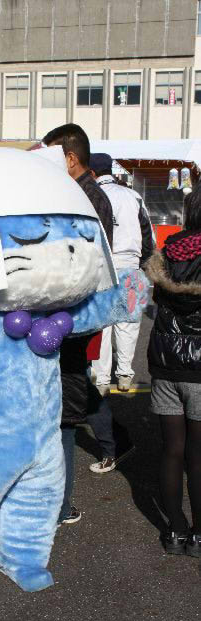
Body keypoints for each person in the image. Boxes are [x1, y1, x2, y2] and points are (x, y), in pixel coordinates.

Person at [43, 125, 133, 524]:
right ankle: (115, 439)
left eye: (52, 156)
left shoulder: (87, 197)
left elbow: (84, 261)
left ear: (70, 158)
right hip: (69, 316)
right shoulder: (80, 192)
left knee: (65, 410)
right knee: (68, 396)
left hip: (73, 315)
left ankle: (61, 504)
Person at [146, 187, 201, 558]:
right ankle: (199, 534)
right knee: (198, 456)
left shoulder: (168, 251)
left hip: (165, 362)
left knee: (172, 450)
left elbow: (157, 301)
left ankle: (175, 530)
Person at [90, 153, 155, 393]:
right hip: (130, 262)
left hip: (102, 265)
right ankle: (125, 375)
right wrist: (143, 261)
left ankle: (101, 378)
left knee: (102, 324)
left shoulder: (92, 194)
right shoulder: (133, 196)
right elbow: (148, 235)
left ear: (92, 173)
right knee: (127, 322)